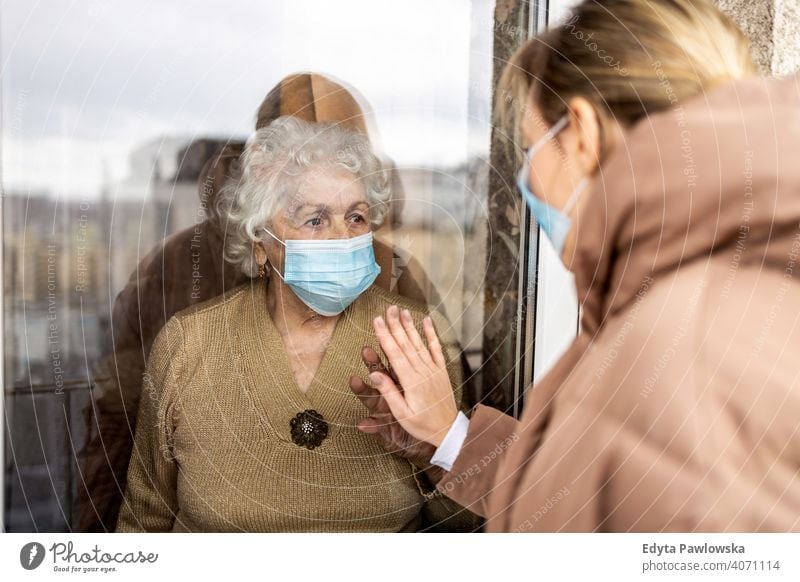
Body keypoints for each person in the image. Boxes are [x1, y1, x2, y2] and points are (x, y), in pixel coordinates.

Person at [354, 0, 800, 531]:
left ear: (583, 136)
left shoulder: (673, 347)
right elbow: (598, 494)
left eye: (527, 148)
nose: (525, 179)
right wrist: (450, 436)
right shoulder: (733, 289)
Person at [74, 72, 449, 532]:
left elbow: (468, 517)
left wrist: (439, 450)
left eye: (356, 216)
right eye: (314, 219)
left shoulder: (410, 323)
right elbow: (124, 459)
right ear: (259, 241)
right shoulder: (183, 317)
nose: (342, 238)